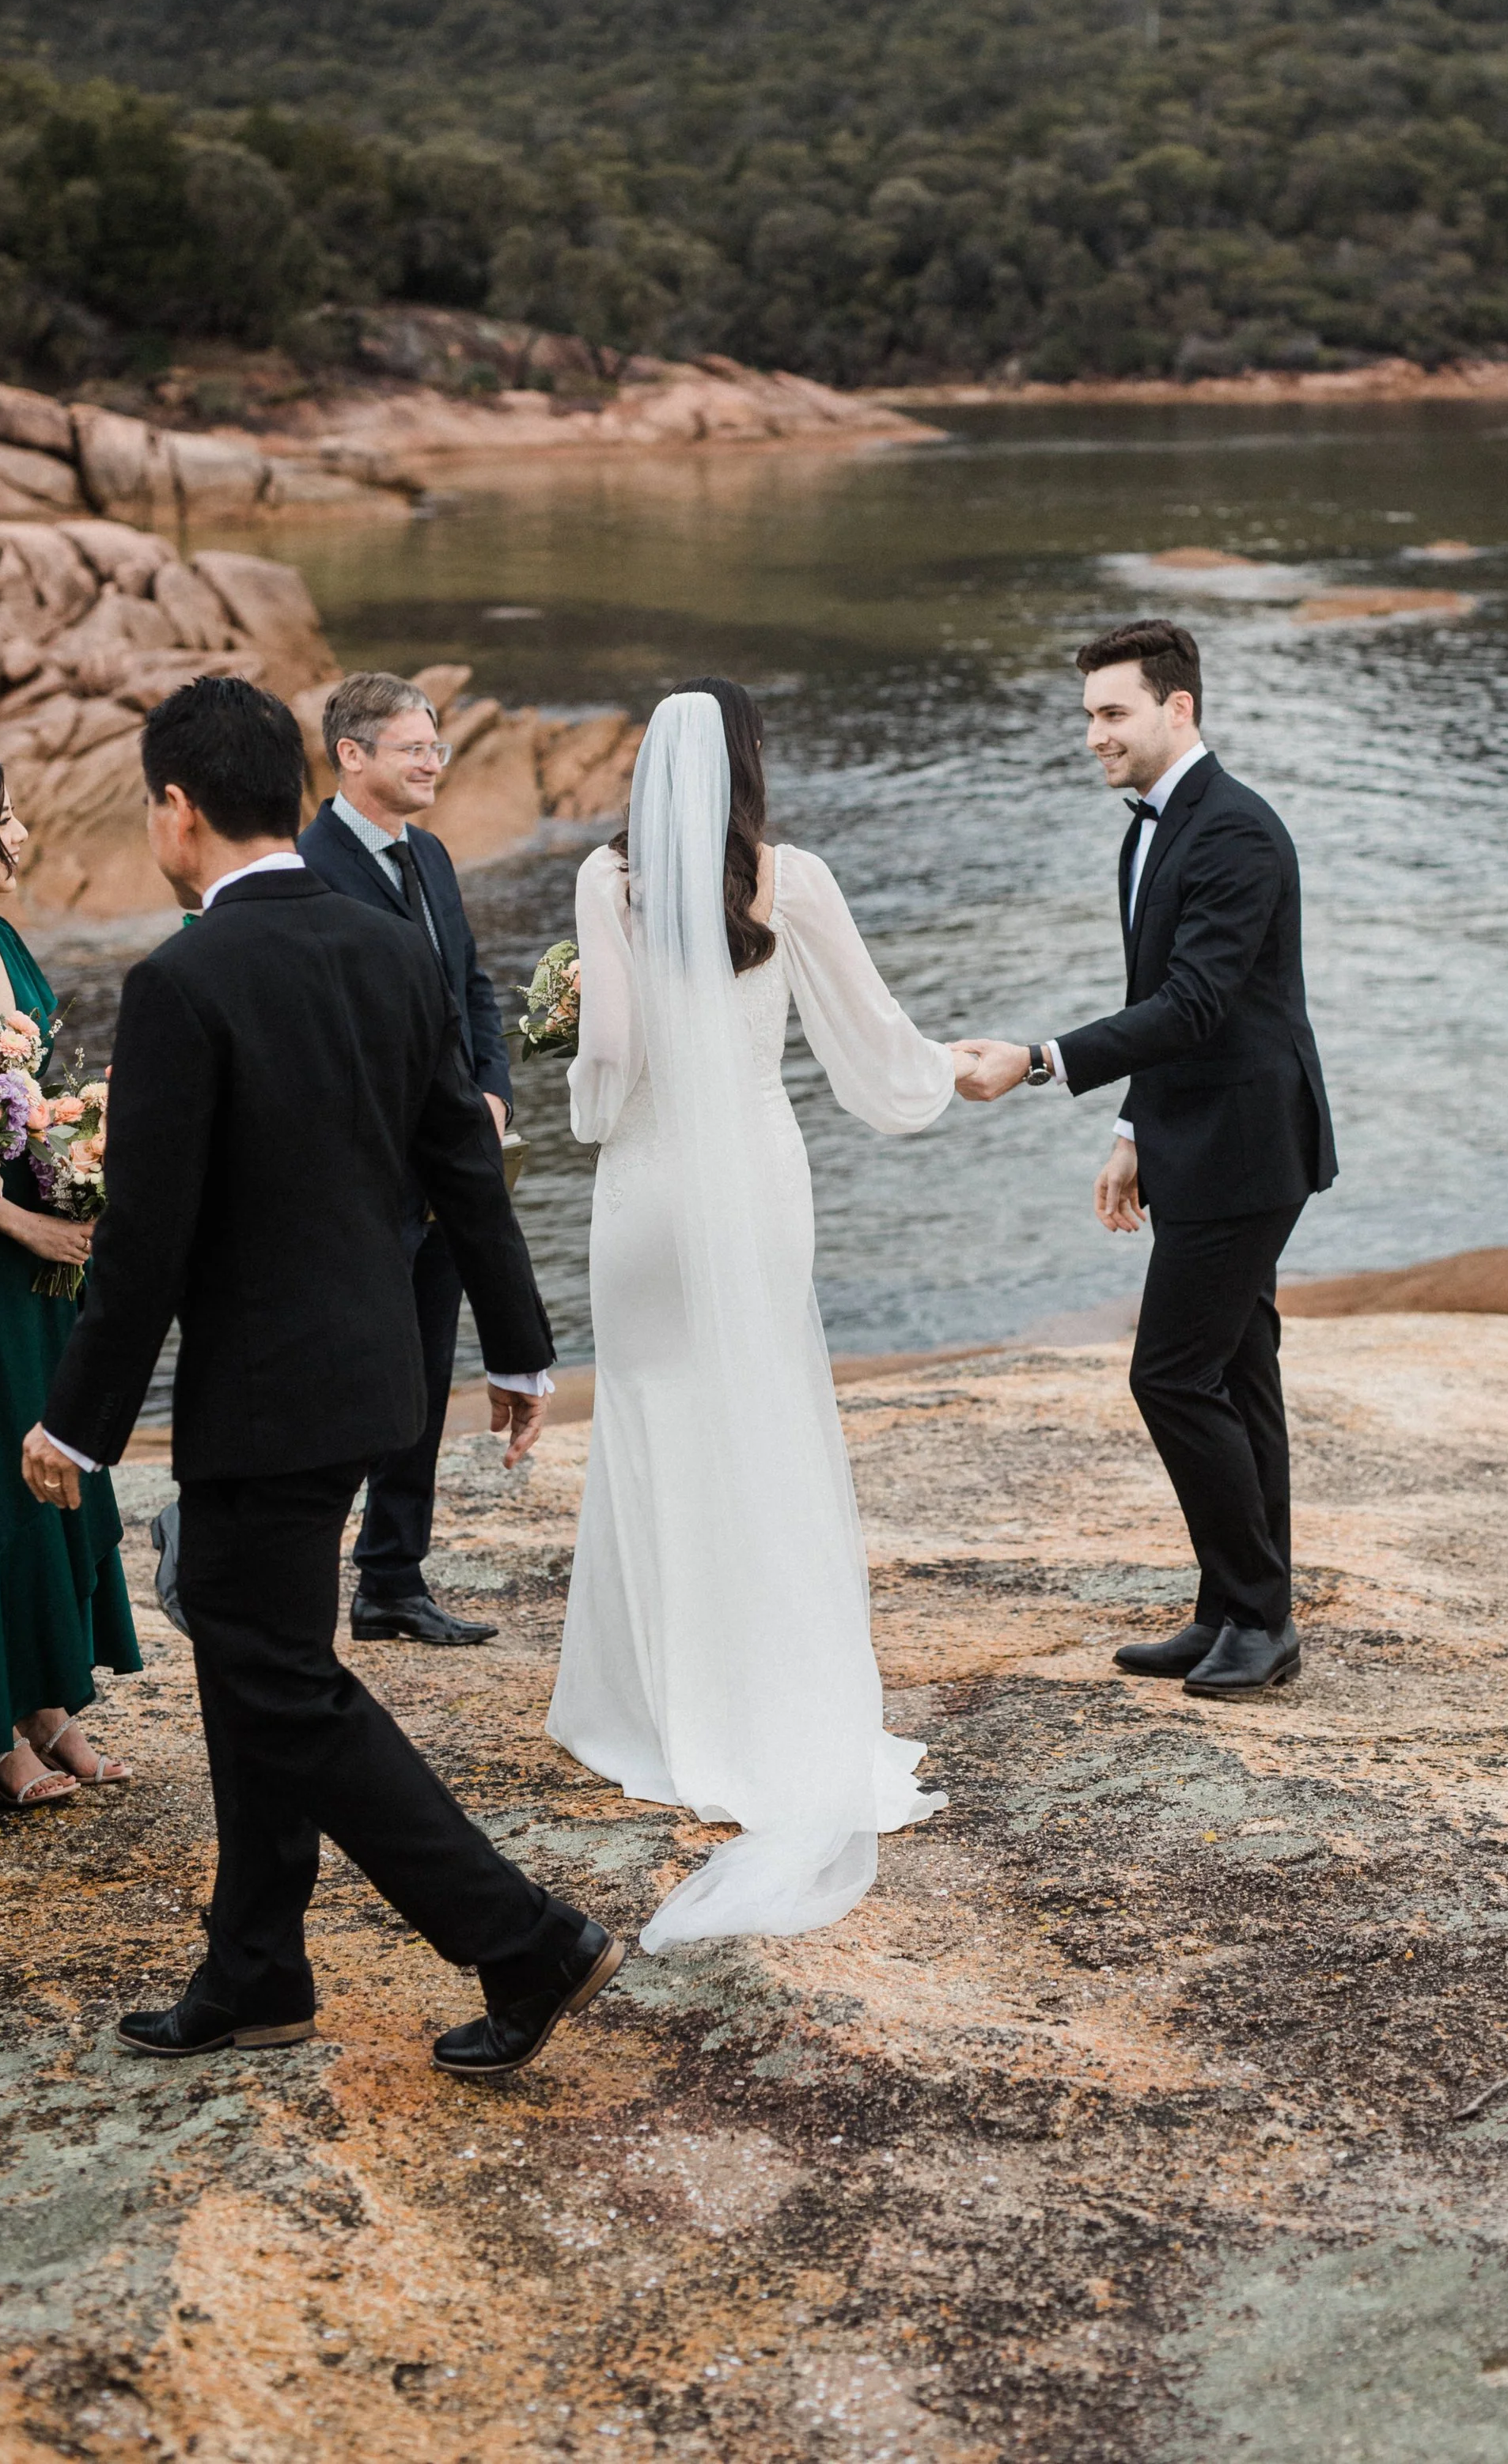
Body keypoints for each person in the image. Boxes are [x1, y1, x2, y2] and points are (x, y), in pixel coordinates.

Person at [20, 677, 619, 2079]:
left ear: (176, 809)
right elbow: (464, 1161)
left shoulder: (181, 981)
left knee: (276, 1675)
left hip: (265, 1400)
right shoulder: (385, 944)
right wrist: (518, 1345)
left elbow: (149, 1247)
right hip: (372, 1379)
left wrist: (77, 1425)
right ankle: (257, 1969)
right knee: (262, 1668)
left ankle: (520, 1934)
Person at [548, 680, 967, 1948]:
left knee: (654, 1429)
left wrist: (576, 1090)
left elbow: (609, 1060)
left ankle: (666, 1708)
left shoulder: (605, 881)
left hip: (651, 1199)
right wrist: (951, 1073)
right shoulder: (796, 883)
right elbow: (875, 1045)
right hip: (761, 1188)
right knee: (768, 1422)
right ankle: (782, 1702)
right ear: (750, 765)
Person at [955, 618, 1336, 1700]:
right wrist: (1130, 1129)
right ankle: (1237, 1608)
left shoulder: (1237, 832)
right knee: (1236, 1370)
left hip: (1251, 1144)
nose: (1093, 736)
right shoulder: (1149, 830)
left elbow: (1200, 1002)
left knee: (1169, 1373)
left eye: (1112, 713)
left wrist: (1038, 1060)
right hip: (1193, 1135)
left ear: (1179, 708)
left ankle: (1260, 1616)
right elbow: (1158, 1007)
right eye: (1087, 716)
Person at [297, 673, 516, 1650]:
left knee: (427, 1377)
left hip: (447, 1169)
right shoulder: (307, 867)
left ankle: (391, 1578)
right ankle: (260, 1546)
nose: (433, 762)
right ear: (352, 755)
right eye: (413, 748)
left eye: (437, 747)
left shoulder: (428, 854)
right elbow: (322, 1036)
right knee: (356, 1381)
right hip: (362, 1175)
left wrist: (491, 1092)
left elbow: (469, 984)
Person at [0, 753, 139, 1825]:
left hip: (41, 1260)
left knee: (50, 1464)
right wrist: (19, 1218)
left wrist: (83, 1159)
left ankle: (48, 1702)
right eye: (3, 818)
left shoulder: (9, 941)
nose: (21, 836)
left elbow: (38, 1100)